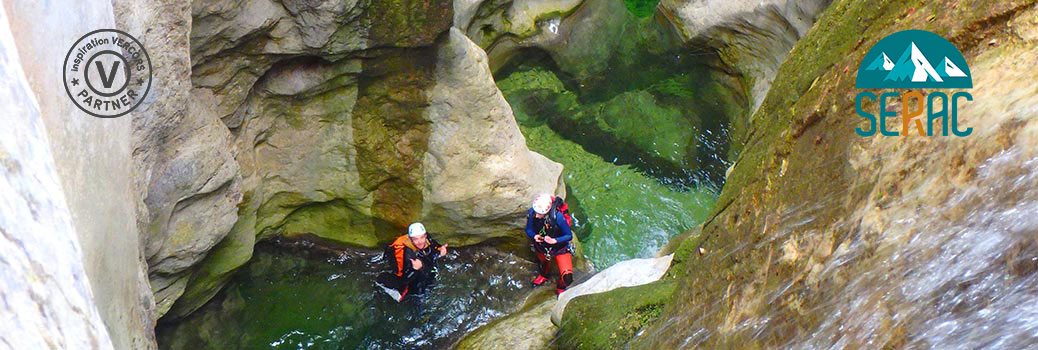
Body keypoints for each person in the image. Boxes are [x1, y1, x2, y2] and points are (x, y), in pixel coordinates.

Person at [376, 222, 448, 302]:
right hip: (407, 277)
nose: (420, 241)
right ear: (410, 239)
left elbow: (434, 246)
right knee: (415, 294)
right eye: (415, 239)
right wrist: (414, 269)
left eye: (422, 237)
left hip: (423, 270)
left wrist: (440, 250)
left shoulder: (427, 239)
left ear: (425, 236)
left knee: (429, 280)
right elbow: (401, 278)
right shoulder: (404, 253)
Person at [525, 193, 574, 295]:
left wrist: (555, 240)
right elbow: (529, 229)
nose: (536, 216)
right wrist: (534, 236)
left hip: (560, 248)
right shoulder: (532, 213)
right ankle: (544, 275)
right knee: (544, 264)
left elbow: (568, 235)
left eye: (539, 213)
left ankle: (561, 286)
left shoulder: (558, 217)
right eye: (536, 212)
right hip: (542, 246)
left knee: (567, 277)